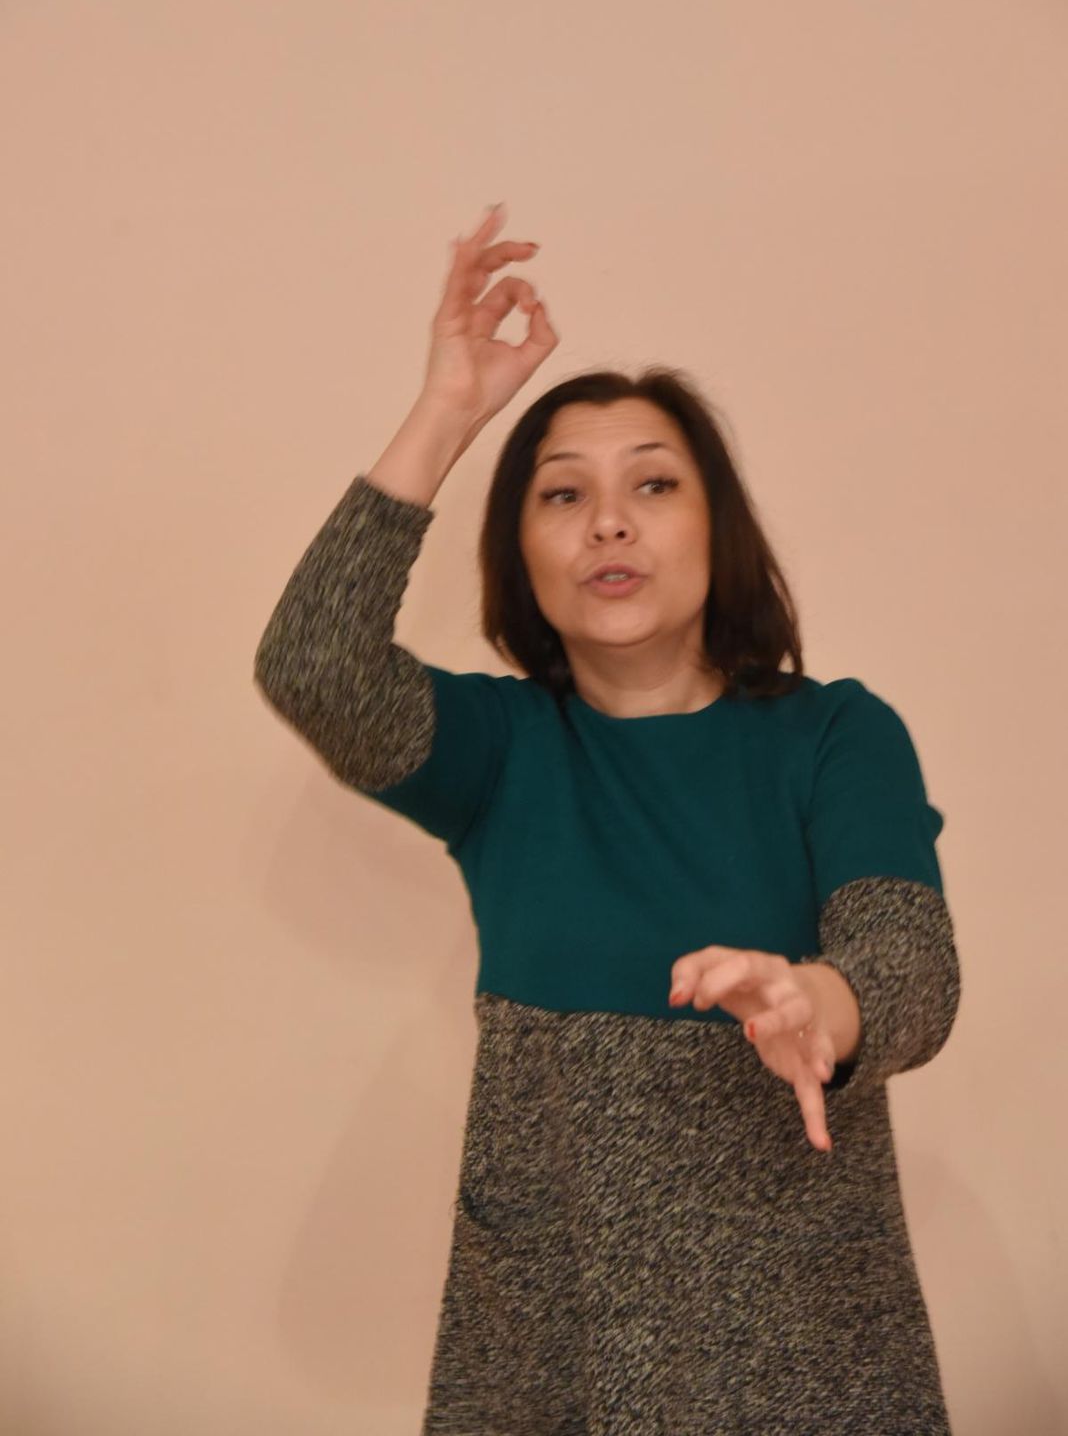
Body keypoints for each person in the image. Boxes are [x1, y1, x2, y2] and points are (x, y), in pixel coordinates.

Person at [253, 203, 961, 1435]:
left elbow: (910, 967)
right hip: (552, 1343)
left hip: (803, 1345)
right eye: (562, 494)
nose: (609, 521)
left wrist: (820, 1000)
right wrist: (448, 411)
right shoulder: (497, 750)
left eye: (654, 484)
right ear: (522, 551)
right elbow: (311, 664)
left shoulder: (836, 734)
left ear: (716, 528)